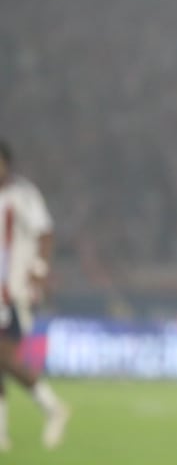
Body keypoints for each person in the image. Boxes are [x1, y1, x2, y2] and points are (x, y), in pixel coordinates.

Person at [0, 140, 71, 451]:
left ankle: (52, 407)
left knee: (3, 356)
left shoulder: (24, 195)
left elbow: (45, 232)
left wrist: (39, 271)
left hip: (15, 293)